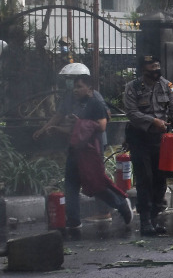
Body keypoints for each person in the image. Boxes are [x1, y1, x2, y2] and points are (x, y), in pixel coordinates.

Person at [34, 72, 133, 230]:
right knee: (71, 184)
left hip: (91, 151)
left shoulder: (96, 102)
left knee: (95, 184)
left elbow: (101, 126)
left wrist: (79, 122)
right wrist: (46, 128)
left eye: (79, 87)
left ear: (89, 88)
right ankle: (73, 219)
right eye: (74, 86)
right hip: (74, 149)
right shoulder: (70, 100)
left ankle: (121, 204)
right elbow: (61, 118)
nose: (75, 90)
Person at [124, 56, 173, 236]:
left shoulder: (167, 86)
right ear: (142, 69)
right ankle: (145, 221)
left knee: (161, 179)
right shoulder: (133, 87)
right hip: (140, 138)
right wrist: (152, 121)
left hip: (162, 140)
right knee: (145, 179)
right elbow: (132, 113)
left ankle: (155, 218)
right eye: (151, 66)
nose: (155, 69)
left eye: (157, 65)